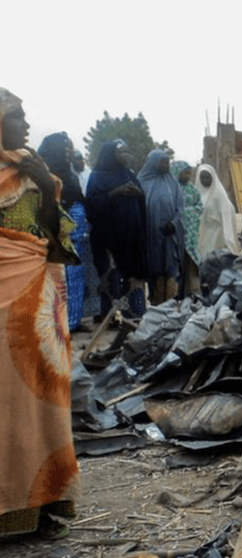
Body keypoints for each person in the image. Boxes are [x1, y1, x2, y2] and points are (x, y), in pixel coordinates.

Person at [0, 87, 80, 538]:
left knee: (44, 401)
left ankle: (45, 504)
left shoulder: (32, 168)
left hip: (39, 302)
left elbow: (55, 239)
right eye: (17, 115)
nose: (27, 124)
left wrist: (47, 185)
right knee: (5, 406)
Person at [38, 132, 97, 330]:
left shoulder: (70, 175)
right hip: (57, 245)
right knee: (58, 282)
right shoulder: (44, 177)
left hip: (76, 243)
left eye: (70, 148)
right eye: (66, 149)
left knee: (76, 281)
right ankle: (60, 325)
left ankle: (75, 321)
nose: (69, 153)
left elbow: (78, 198)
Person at [86, 139, 147, 318]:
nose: (125, 155)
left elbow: (142, 199)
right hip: (109, 238)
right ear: (110, 154)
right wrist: (117, 192)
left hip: (131, 237)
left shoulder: (129, 174)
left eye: (127, 151)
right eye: (121, 152)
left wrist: (139, 194)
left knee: (133, 277)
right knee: (111, 276)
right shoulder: (98, 176)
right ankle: (108, 316)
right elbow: (93, 205)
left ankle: (135, 314)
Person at [138, 150, 185, 304]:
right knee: (156, 272)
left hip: (170, 237)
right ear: (153, 163)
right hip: (151, 237)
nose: (166, 165)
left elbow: (181, 208)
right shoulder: (142, 181)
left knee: (171, 271)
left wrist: (174, 224)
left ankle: (171, 307)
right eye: (163, 162)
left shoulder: (173, 182)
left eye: (167, 162)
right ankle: (157, 308)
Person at [195, 164, 238, 257]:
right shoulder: (197, 193)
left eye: (208, 177)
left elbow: (227, 213)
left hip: (215, 233)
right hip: (202, 233)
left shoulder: (219, 194)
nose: (205, 180)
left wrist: (228, 238)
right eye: (203, 177)